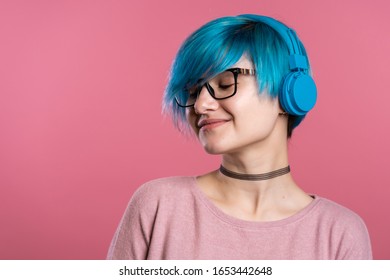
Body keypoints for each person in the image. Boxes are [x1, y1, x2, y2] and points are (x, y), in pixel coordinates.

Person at [107, 14, 372, 259]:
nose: (200, 106)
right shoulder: (157, 205)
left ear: (289, 93)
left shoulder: (340, 234)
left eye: (225, 83)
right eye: (192, 92)